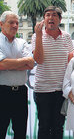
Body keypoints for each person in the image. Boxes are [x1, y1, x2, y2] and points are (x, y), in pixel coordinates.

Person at [32, 6, 74, 139]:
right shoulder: (36, 36)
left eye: (55, 15)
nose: (51, 18)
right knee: (44, 126)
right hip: (42, 90)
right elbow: (38, 59)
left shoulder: (66, 37)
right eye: (48, 15)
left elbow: (71, 62)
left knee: (58, 126)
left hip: (61, 90)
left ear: (60, 19)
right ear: (44, 19)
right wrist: (39, 35)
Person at [0, 11, 34, 139]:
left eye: (17, 23)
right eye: (11, 22)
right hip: (2, 92)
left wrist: (8, 63)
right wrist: (22, 62)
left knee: (20, 131)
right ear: (1, 24)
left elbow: (30, 64)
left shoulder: (22, 42)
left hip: (20, 93)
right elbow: (1, 65)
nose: (15, 25)